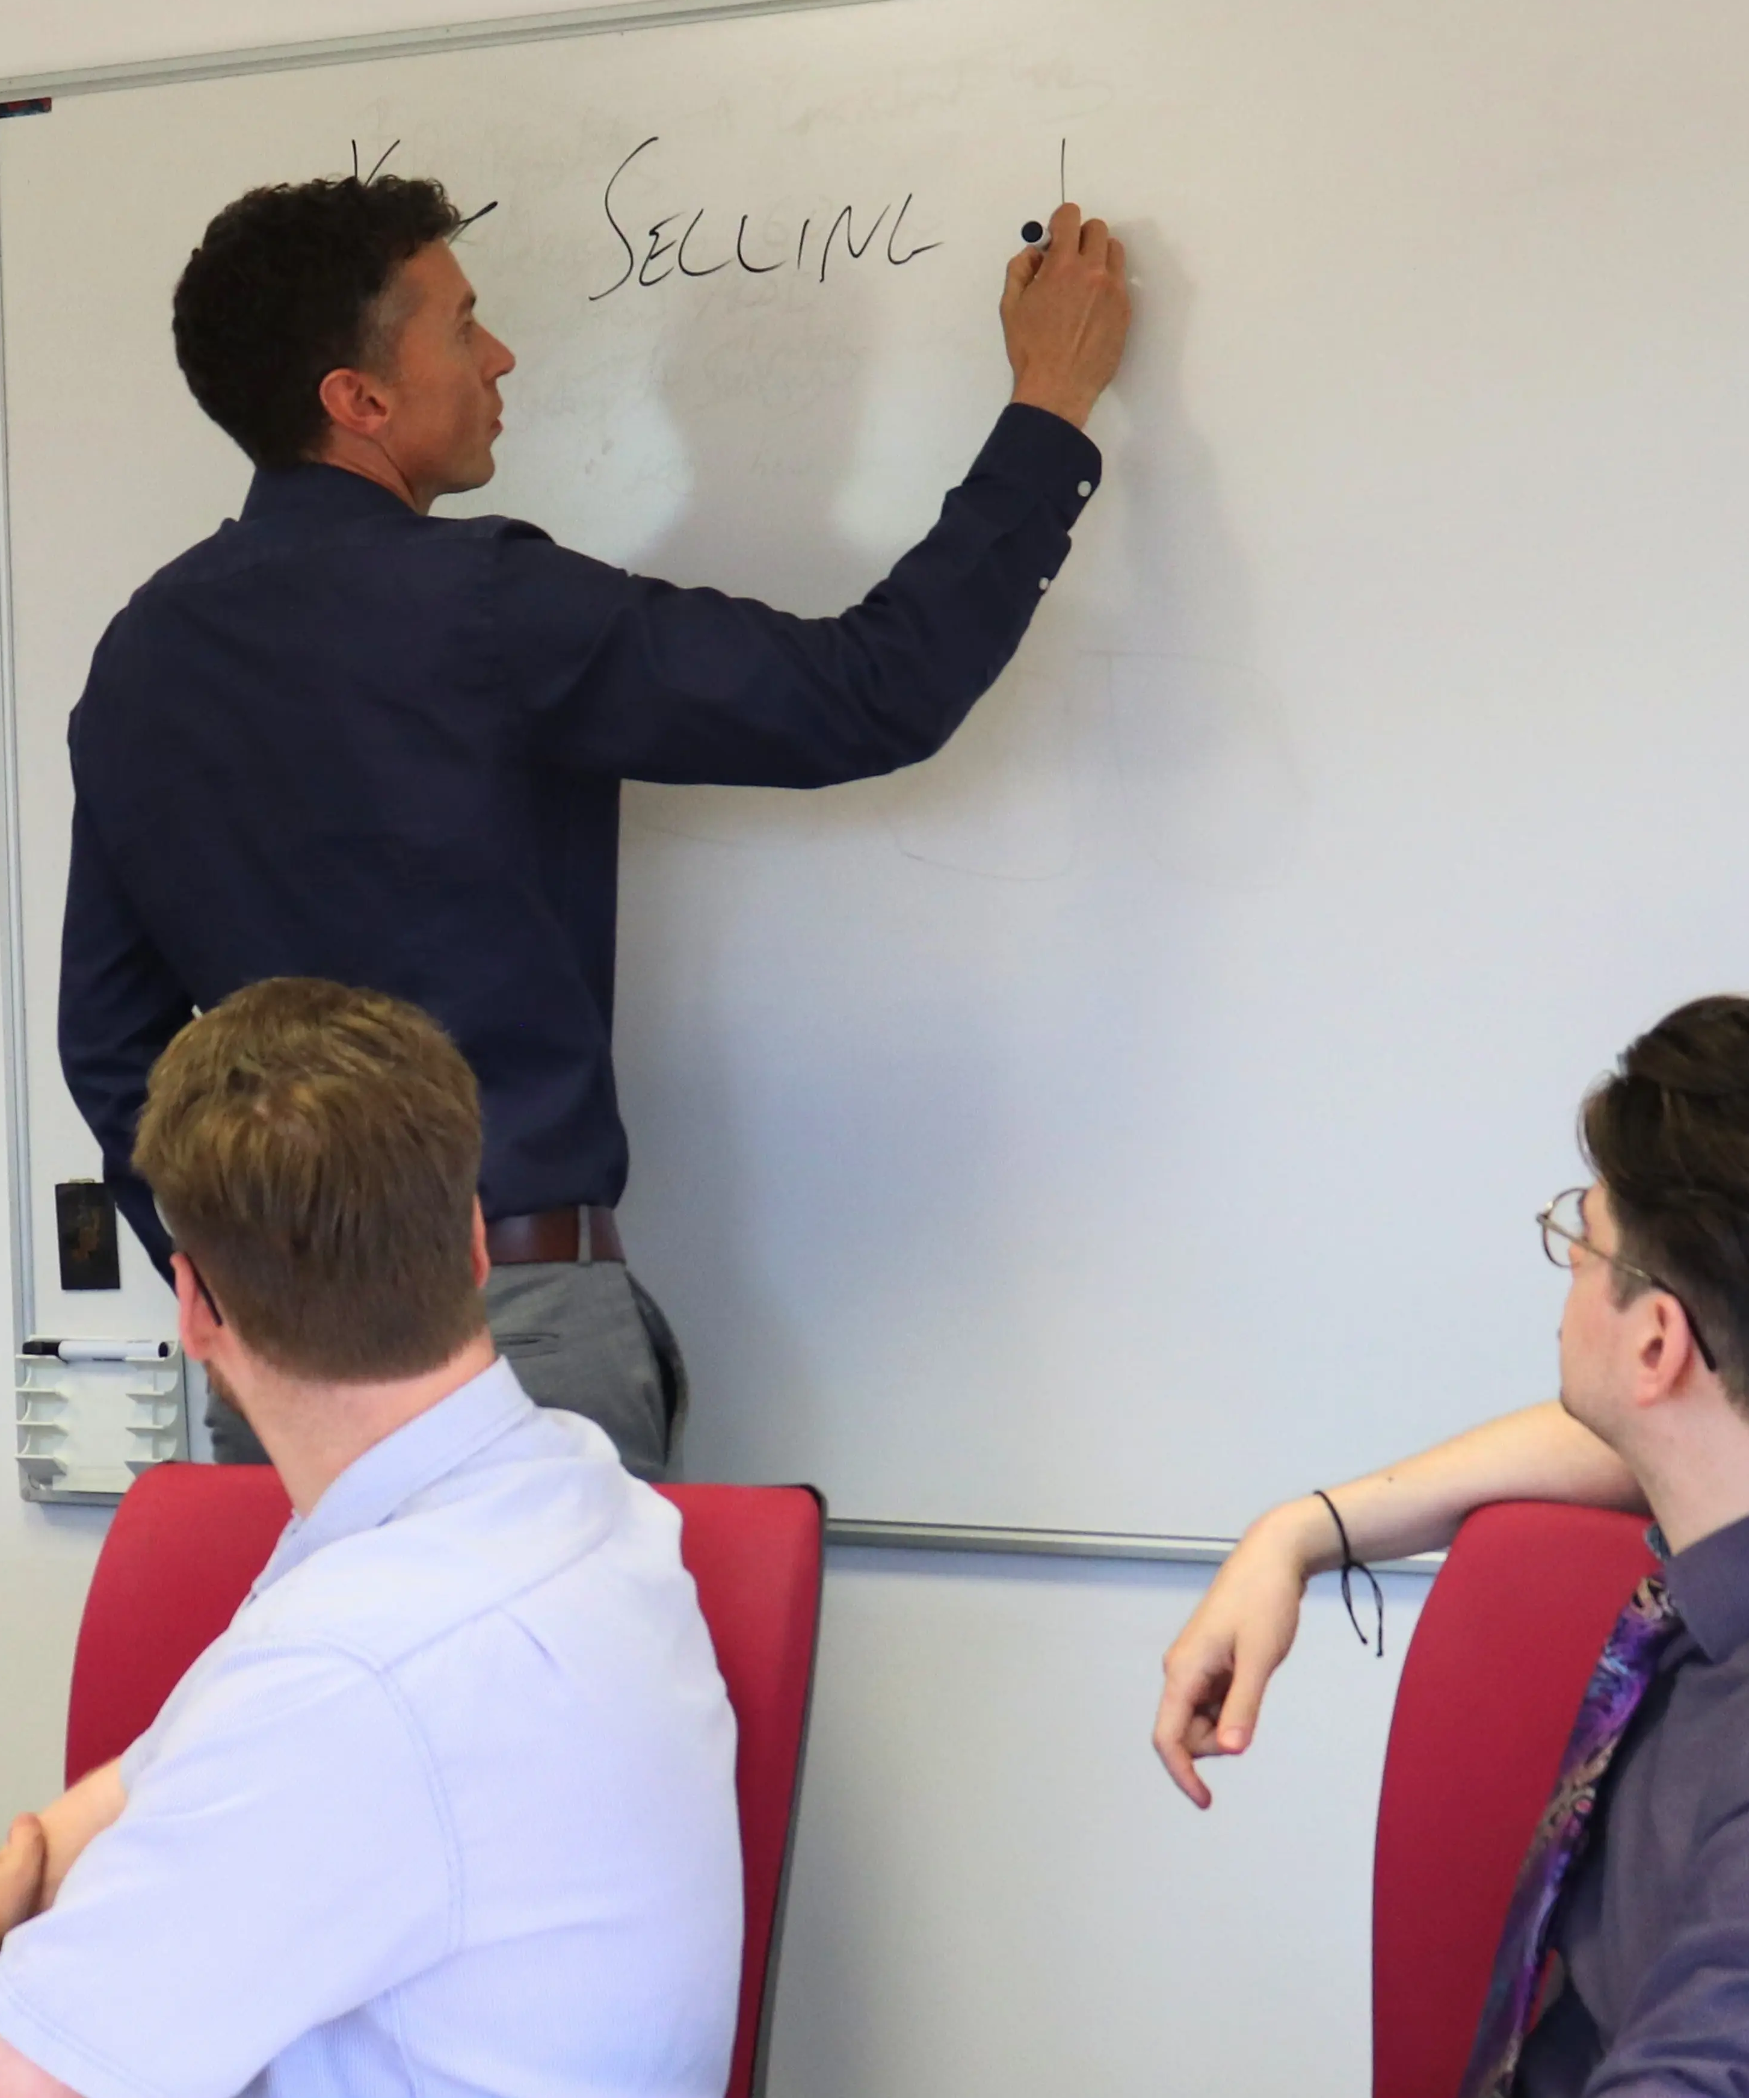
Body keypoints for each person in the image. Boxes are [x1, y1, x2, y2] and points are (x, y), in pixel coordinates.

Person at [59, 171, 1134, 1476]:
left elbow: (111, 1045)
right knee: (563, 1684)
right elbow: (872, 692)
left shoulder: (142, 654)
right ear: (361, 400)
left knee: (334, 1680)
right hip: (507, 1343)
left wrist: (233, 1280)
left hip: (283, 1369)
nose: (501, 353)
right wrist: (1051, 406)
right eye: (461, 325)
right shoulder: (485, 606)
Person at [0, 978, 741, 2100]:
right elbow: (90, 1839)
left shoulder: (357, 1671)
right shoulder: (572, 1494)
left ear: (196, 1306)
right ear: (471, 1243)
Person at [1153, 996, 1749, 2098]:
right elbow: (1647, 1437)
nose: (1569, 1264)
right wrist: (1299, 1535)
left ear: (1659, 1342)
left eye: (1583, 1235)